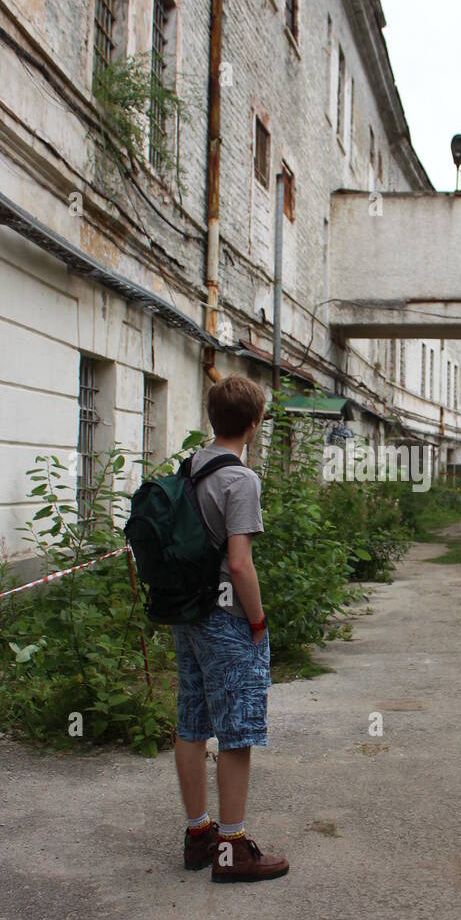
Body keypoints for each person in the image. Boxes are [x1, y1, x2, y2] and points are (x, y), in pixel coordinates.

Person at [172, 374, 289, 883]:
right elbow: (239, 565)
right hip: (225, 617)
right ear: (254, 423)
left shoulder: (191, 465)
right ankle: (233, 848)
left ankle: (199, 835)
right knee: (236, 730)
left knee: (193, 721)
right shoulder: (240, 479)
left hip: (189, 613)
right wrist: (258, 621)